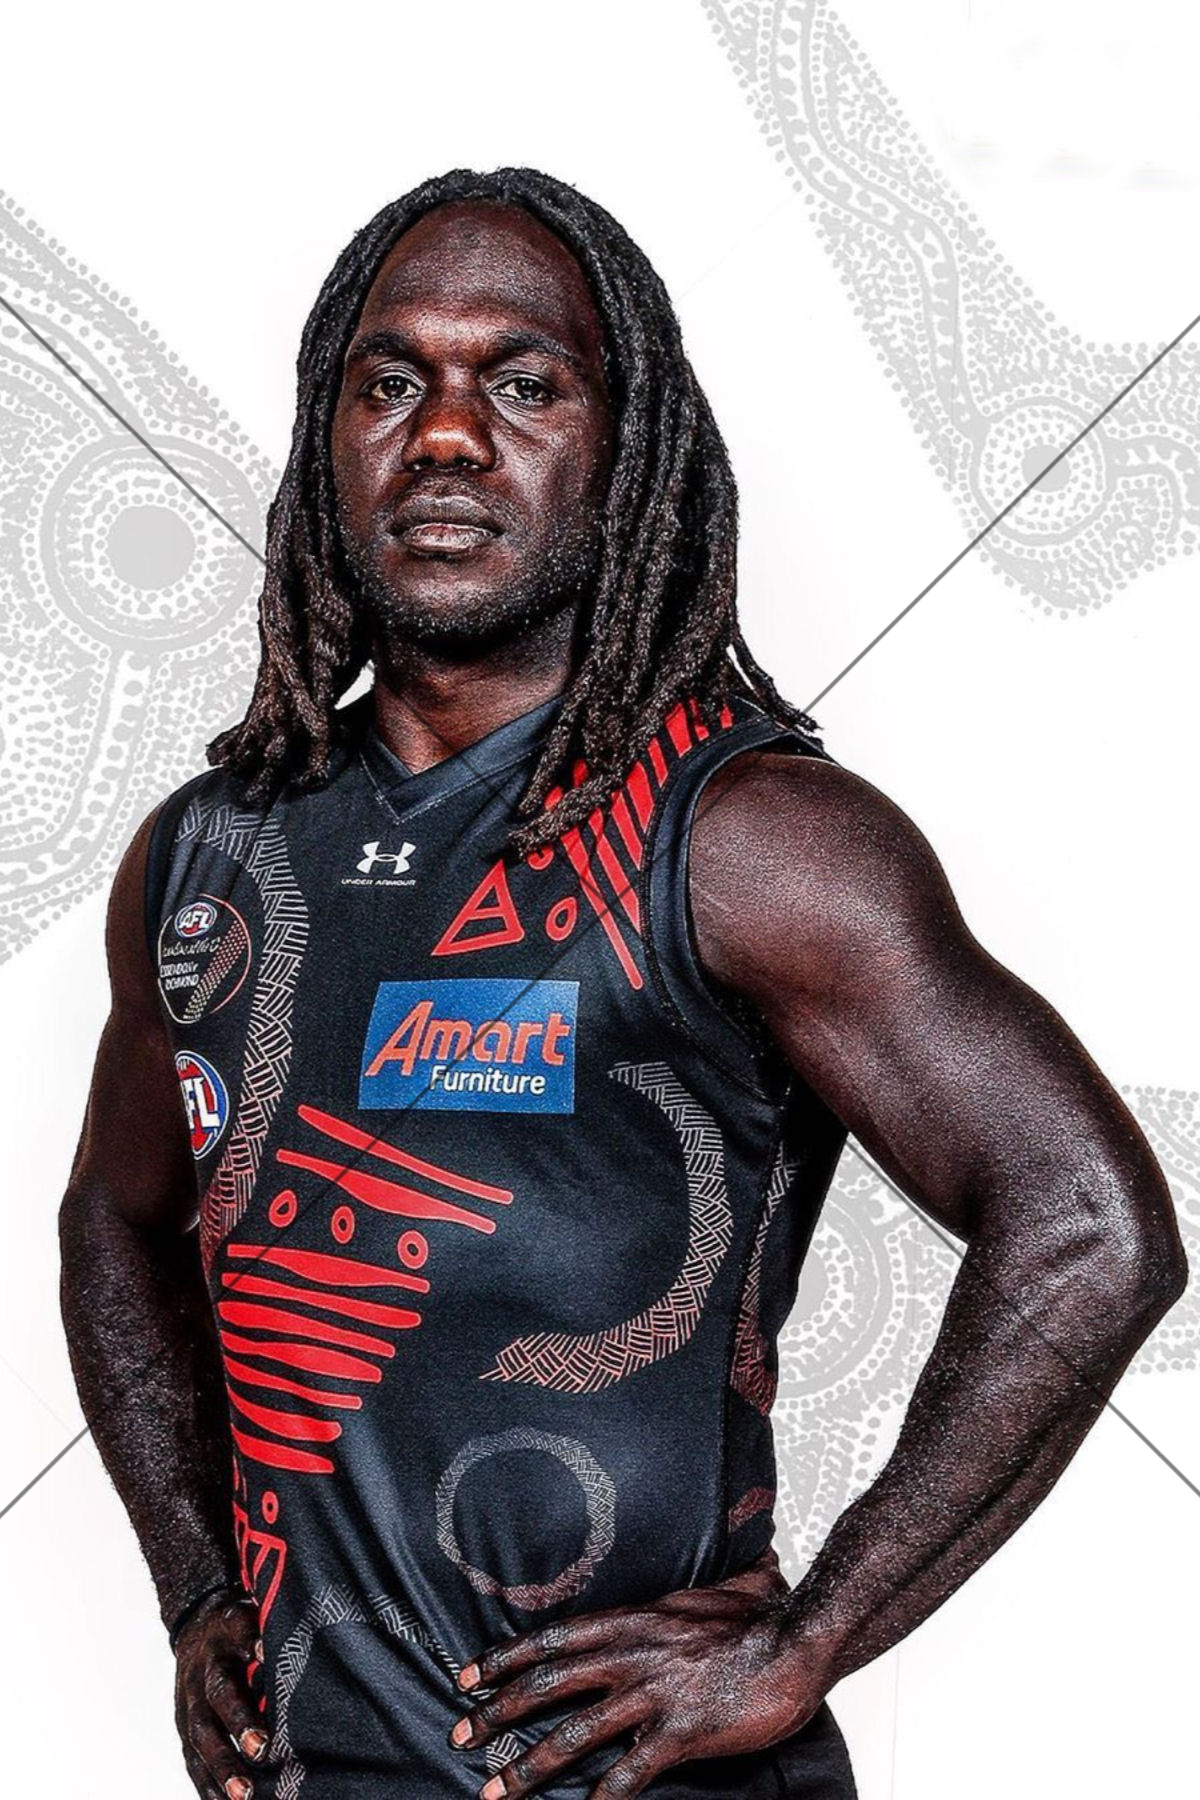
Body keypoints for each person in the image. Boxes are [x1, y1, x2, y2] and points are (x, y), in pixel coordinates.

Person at [59, 166, 1186, 1800]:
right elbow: (117, 1220)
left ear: (626, 440)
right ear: (328, 436)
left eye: (525, 385)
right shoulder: (206, 855)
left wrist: (807, 1640)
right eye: (391, 383)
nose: (448, 437)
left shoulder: (749, 841)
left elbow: (1091, 1225)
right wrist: (191, 1588)